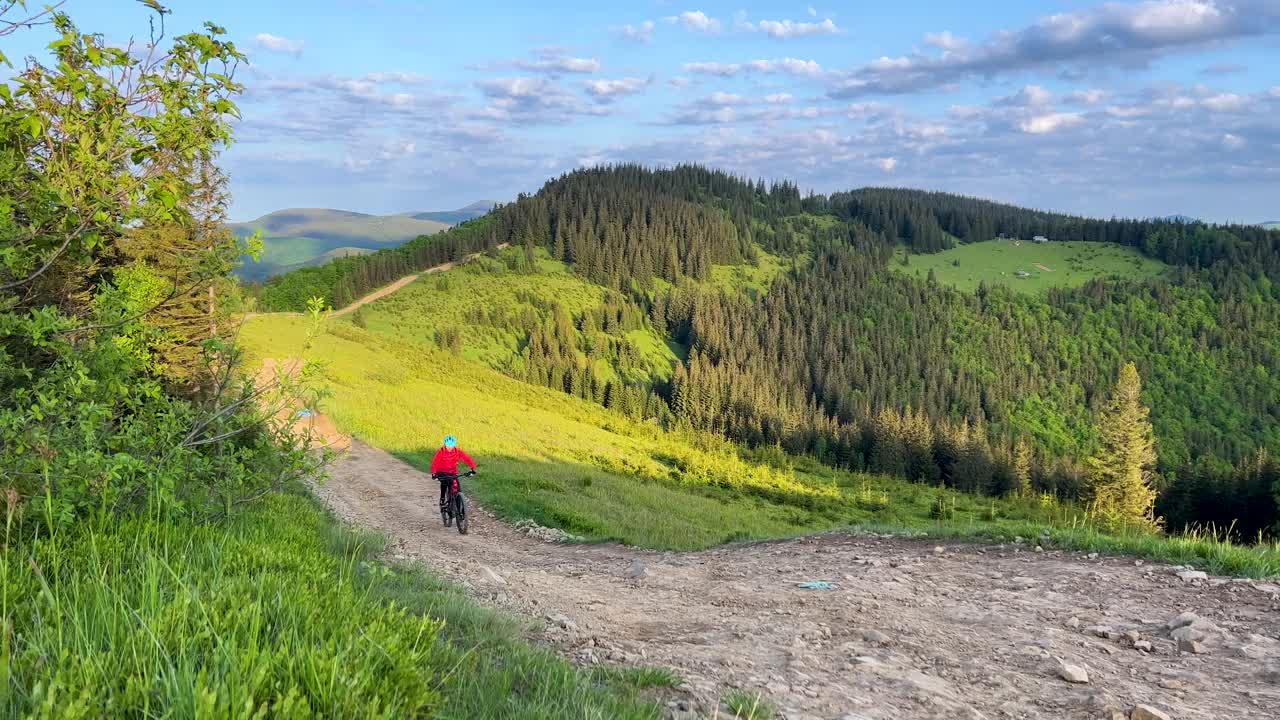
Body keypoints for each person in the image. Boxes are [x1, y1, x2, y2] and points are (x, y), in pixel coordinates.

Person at [430, 434, 476, 511]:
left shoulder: (457, 451)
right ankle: (442, 498)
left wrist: (472, 467)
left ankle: (458, 501)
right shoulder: (441, 452)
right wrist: (434, 473)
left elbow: (466, 458)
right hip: (442, 471)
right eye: (448, 446)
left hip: (452, 471)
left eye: (451, 446)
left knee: (457, 485)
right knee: (445, 483)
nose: (450, 448)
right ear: (445, 444)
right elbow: (435, 463)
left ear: (454, 445)